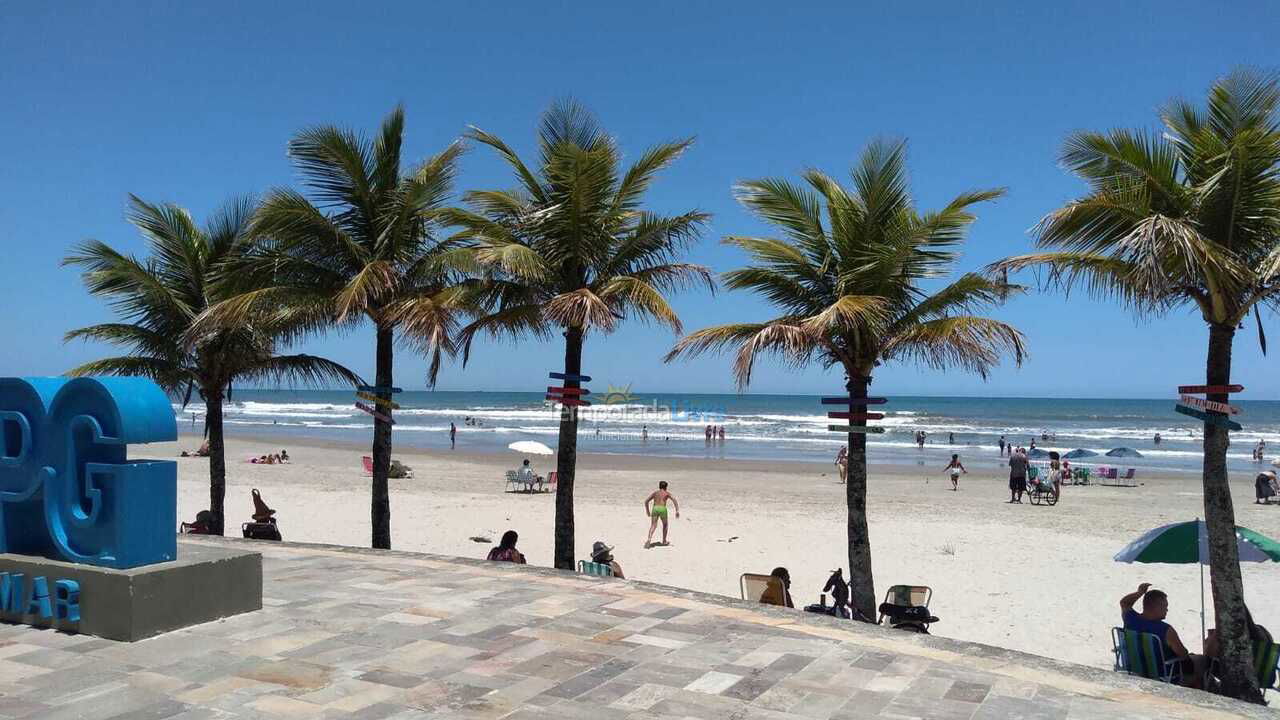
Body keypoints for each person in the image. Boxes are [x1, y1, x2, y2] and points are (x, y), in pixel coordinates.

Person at [1120, 583, 1200, 687]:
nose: (1167, 609)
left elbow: (1124, 603)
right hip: (1163, 676)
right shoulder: (1166, 630)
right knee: (1201, 662)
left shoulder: (1130, 619)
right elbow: (1183, 654)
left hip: (1135, 671)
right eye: (1164, 606)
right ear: (1154, 607)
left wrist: (1139, 593)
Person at [644, 480, 680, 548]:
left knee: (653, 525)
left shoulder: (655, 493)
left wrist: (648, 511)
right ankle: (664, 541)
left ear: (659, 486)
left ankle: (649, 539)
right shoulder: (667, 493)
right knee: (665, 525)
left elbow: (646, 501)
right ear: (666, 487)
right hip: (662, 509)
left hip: (655, 508)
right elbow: (674, 500)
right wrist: (677, 510)